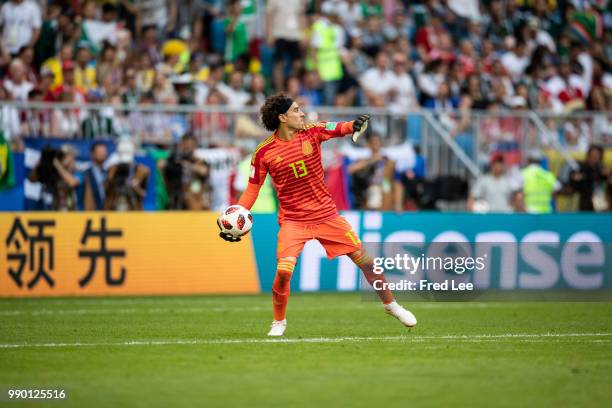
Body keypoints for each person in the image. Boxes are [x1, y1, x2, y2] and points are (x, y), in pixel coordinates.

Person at [218, 94, 417, 336]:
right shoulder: (263, 152)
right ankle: (279, 322)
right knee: (283, 272)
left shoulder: (312, 131)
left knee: (366, 262)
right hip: (293, 221)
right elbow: (252, 189)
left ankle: (391, 305)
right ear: (282, 117)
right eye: (297, 110)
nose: (302, 114)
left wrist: (353, 125)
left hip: (326, 216)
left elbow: (338, 128)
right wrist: (239, 216)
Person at [104, 139, 150, 211]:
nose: (125, 165)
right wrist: (111, 177)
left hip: (133, 208)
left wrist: (135, 187)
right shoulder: (113, 169)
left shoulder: (141, 171)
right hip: (115, 207)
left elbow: (145, 194)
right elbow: (105, 190)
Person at [84, 142, 108, 211]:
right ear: (92, 154)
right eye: (100, 152)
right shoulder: (86, 173)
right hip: (90, 214)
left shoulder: (108, 172)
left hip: (107, 213)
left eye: (104, 152)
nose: (103, 154)